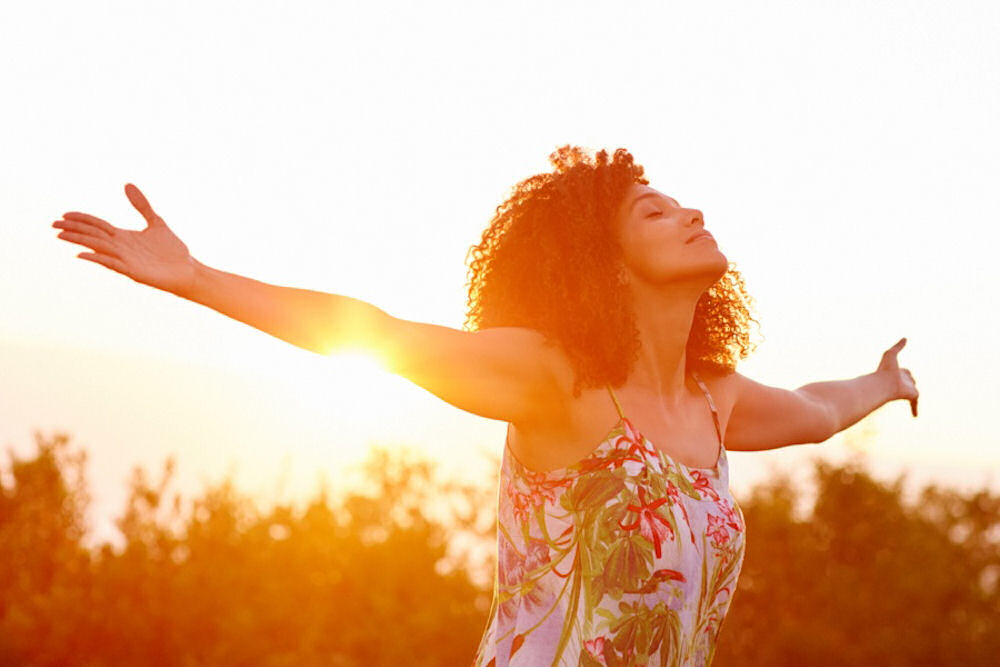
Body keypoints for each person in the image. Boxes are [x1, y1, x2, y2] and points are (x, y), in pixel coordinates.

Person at [51, 146, 918, 666]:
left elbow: (813, 406)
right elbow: (376, 331)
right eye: (655, 212)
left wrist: (885, 382)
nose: (689, 210)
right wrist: (197, 279)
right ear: (604, 265)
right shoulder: (557, 381)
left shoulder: (713, 400)